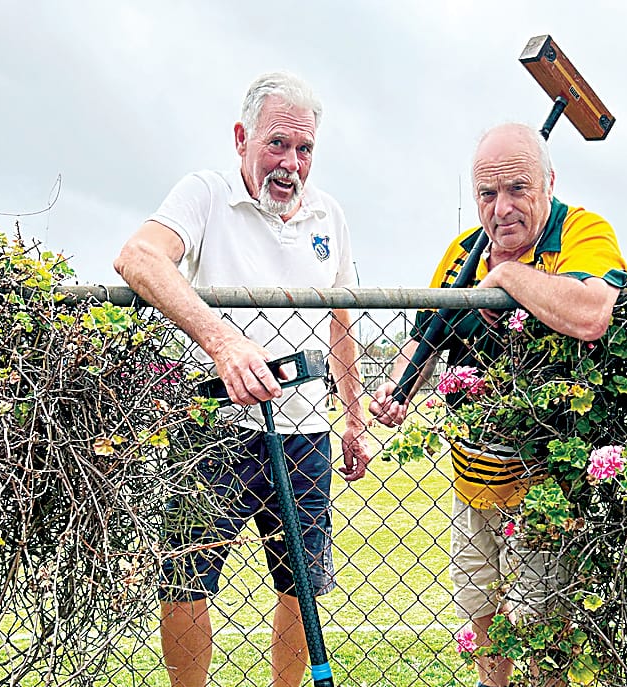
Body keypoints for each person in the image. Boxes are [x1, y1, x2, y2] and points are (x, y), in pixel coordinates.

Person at [114, 71, 370, 687]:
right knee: (185, 581)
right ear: (241, 138)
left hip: (305, 431)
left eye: (304, 149)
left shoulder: (328, 214)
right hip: (211, 430)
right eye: (277, 145)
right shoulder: (205, 193)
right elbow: (139, 257)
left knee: (300, 584)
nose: (291, 164)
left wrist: (353, 417)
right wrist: (223, 339)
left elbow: (340, 320)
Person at [369, 122, 627, 687]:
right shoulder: (462, 252)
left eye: (517, 189)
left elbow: (590, 314)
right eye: (487, 193)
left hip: (546, 483)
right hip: (474, 479)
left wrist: (509, 275)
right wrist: (398, 390)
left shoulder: (583, 231)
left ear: (549, 182)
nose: (501, 208)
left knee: (544, 624)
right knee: (480, 614)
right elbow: (426, 337)